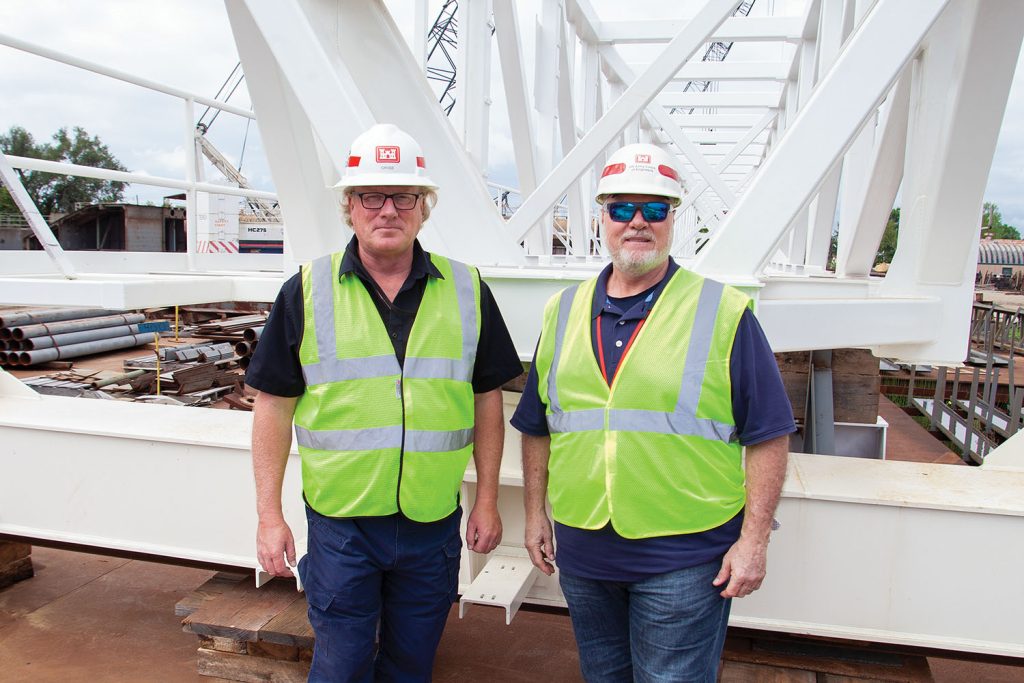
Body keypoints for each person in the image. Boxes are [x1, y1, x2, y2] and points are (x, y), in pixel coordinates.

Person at [246, 123, 524, 682]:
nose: (388, 211)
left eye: (403, 197)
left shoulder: (468, 290)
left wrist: (487, 500)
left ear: (424, 208)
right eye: (371, 196)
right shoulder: (306, 290)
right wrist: (269, 516)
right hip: (342, 524)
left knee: (411, 665)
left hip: (431, 521)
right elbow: (272, 407)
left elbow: (487, 402)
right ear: (349, 207)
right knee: (342, 665)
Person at [512, 143, 795, 682]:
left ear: (673, 219)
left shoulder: (723, 310)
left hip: (685, 559)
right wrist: (533, 515)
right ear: (602, 218)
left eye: (655, 209)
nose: (637, 222)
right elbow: (538, 425)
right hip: (585, 551)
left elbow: (769, 433)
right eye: (622, 209)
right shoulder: (564, 309)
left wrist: (754, 540)